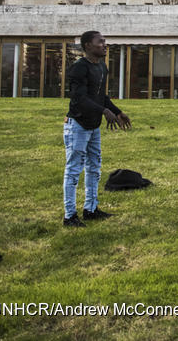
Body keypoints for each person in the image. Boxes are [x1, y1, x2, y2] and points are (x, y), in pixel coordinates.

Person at [62, 31, 131, 227]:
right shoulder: (79, 69)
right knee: (73, 170)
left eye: (105, 41)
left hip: (93, 126)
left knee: (94, 168)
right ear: (87, 46)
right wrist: (103, 111)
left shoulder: (102, 67)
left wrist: (117, 112)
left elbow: (100, 96)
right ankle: (70, 216)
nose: (104, 45)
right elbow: (80, 99)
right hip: (78, 125)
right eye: (100, 42)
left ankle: (91, 209)